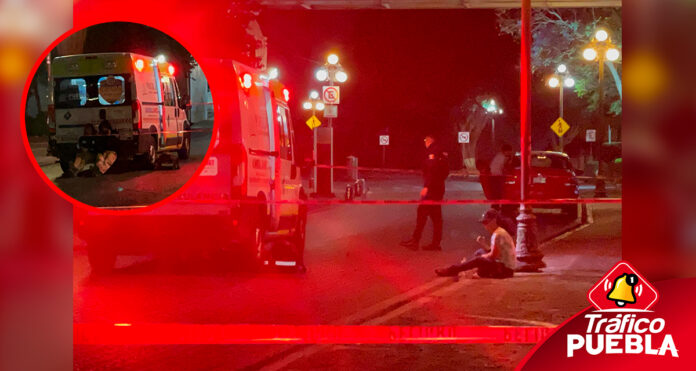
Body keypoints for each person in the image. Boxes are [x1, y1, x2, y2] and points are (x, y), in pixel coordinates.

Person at [400, 134, 449, 251]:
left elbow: (432, 170)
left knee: (422, 213)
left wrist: (427, 186)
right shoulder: (442, 152)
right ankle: (435, 243)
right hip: (438, 188)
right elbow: (445, 171)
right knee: (436, 217)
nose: (424, 142)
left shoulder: (433, 151)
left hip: (431, 190)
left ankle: (415, 241)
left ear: (429, 139)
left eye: (425, 140)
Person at [435, 209, 516, 278]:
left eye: (486, 222)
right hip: (505, 268)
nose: (485, 226)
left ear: (494, 221)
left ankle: (453, 270)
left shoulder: (498, 234)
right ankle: (471, 269)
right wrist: (483, 244)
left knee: (479, 259)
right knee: (480, 252)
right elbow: (496, 253)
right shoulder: (500, 231)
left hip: (504, 271)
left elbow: (493, 256)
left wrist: (481, 257)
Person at [488, 144, 513, 209]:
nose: (510, 153)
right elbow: (505, 167)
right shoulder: (503, 157)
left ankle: (495, 206)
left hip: (494, 175)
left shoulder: (499, 156)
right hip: (497, 176)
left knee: (496, 192)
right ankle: (497, 206)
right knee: (499, 192)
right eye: (509, 151)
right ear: (505, 151)